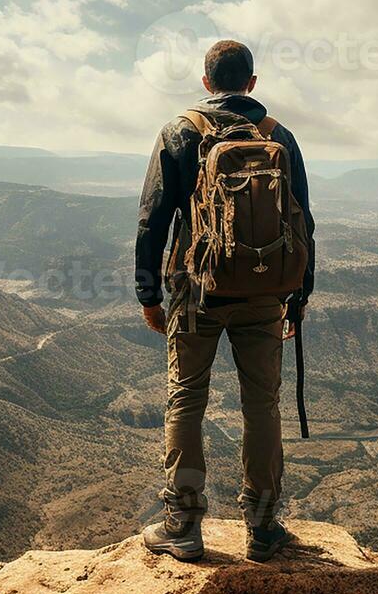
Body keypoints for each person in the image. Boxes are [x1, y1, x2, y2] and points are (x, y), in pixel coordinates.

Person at [134, 40, 315, 562]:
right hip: (264, 291)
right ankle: (262, 527)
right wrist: (298, 298)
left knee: (186, 400)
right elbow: (303, 219)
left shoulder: (180, 132)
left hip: (196, 293)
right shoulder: (278, 136)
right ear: (252, 84)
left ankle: (183, 525)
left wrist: (149, 293)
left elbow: (153, 220)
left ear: (207, 82)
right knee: (261, 404)